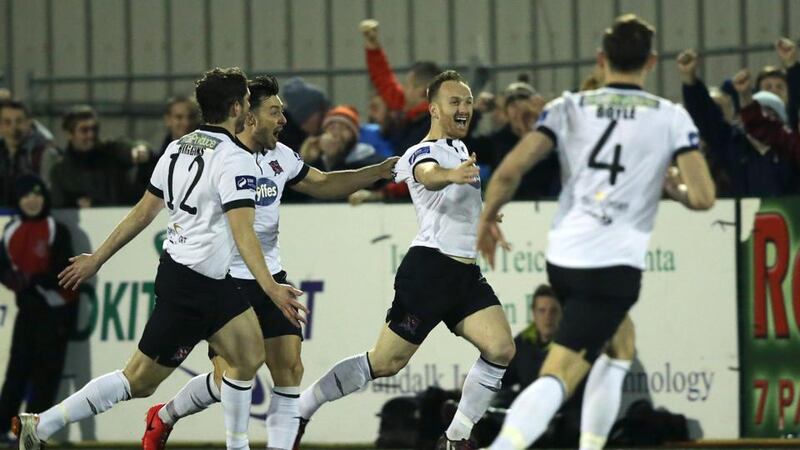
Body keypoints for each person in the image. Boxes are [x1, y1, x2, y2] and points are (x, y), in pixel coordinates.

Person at [12, 67, 308, 450]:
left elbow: (143, 211)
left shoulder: (179, 146)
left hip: (206, 280)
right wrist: (272, 288)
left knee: (248, 356)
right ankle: (41, 423)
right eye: (248, 102)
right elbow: (243, 232)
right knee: (138, 380)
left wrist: (98, 258)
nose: (251, 109)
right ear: (236, 107)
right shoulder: (234, 159)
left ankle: (238, 446)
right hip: (191, 285)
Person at [476, 15, 715, 450]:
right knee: (561, 373)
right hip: (613, 267)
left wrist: (488, 216)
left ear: (601, 59)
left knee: (621, 343)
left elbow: (510, 170)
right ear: (652, 62)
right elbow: (703, 197)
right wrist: (674, 188)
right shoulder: (670, 117)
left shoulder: (568, 106)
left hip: (565, 258)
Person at [140, 75, 398, 450]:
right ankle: (165, 415)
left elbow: (323, 183)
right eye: (274, 111)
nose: (283, 120)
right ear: (247, 114)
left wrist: (376, 171)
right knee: (227, 377)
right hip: (227, 279)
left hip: (270, 276)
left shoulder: (280, 156)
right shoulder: (221, 156)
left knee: (289, 367)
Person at [294, 70, 515, 450]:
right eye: (454, 102)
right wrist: (452, 175)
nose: (464, 108)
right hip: (429, 272)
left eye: (467, 102)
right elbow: (428, 177)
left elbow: (452, 203)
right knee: (384, 362)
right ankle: (302, 406)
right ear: (433, 109)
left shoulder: (462, 151)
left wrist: (486, 217)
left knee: (500, 349)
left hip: (463, 275)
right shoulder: (424, 152)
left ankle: (455, 438)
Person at [0, 175, 77, 442]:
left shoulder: (56, 229)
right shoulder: (11, 230)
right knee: (16, 374)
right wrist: (18, 283)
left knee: (46, 378)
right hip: (28, 313)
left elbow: (63, 273)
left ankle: (31, 437)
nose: (32, 201)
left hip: (55, 314)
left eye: (37, 194)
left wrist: (34, 282)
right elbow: (4, 268)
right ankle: (2, 429)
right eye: (25, 196)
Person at [678, 49, 798, 197]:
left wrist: (792, 67)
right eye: (759, 112)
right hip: (739, 218)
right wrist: (690, 81)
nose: (764, 119)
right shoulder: (732, 142)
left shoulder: (789, 149)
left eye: (771, 115)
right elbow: (706, 118)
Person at [360, 19, 440, 155]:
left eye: (407, 85)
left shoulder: (434, 123)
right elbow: (384, 80)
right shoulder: (411, 113)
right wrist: (373, 49)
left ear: (421, 91)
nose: (402, 89)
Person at [48, 105, 155, 207]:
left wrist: (139, 150)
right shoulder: (60, 171)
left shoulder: (111, 152)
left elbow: (131, 147)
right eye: (84, 130)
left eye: (94, 129)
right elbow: (59, 207)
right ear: (69, 134)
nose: (91, 135)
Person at [0, 101, 60, 206]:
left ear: (29, 123)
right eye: (7, 122)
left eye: (19, 121)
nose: (13, 128)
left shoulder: (43, 154)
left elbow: (49, 193)